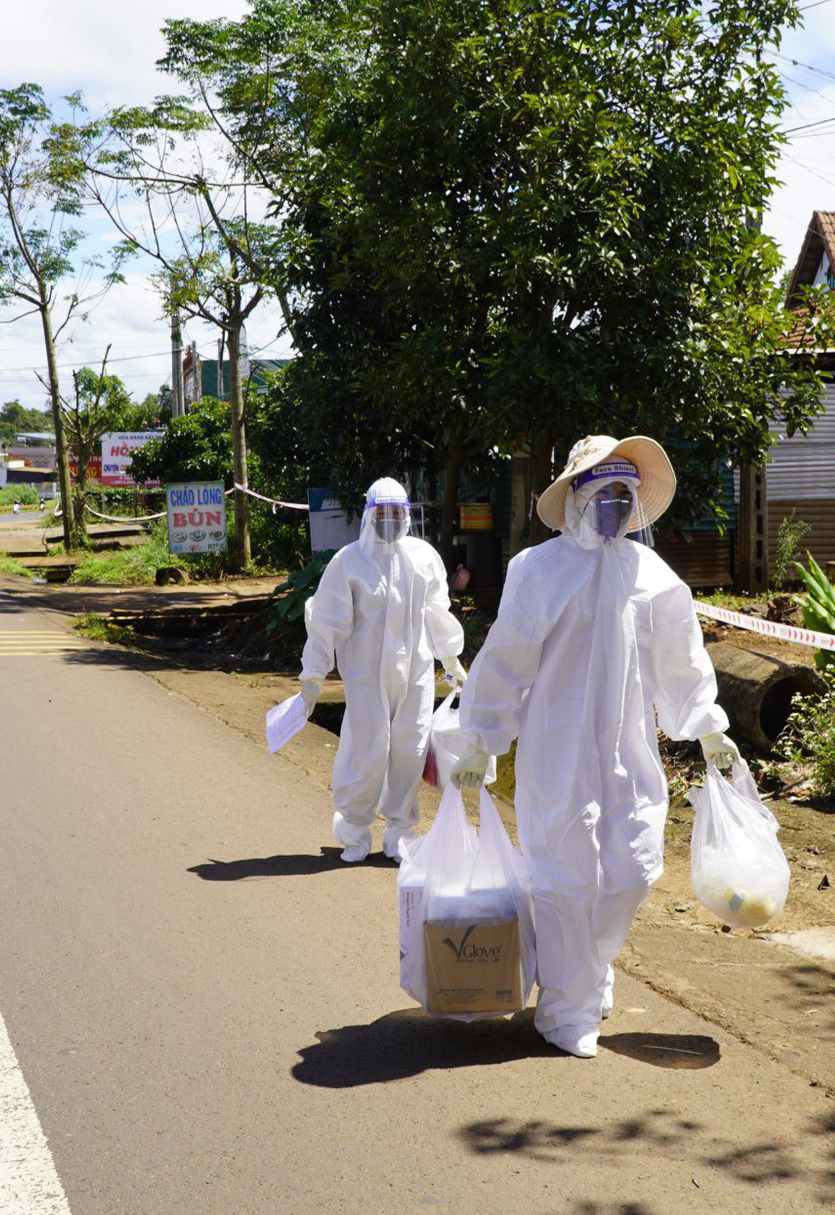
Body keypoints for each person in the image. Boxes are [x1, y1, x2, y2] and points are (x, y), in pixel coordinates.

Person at [453, 436, 740, 1059]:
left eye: (624, 491)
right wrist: (482, 739)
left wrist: (710, 728)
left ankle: (588, 969)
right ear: (576, 495)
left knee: (633, 871)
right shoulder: (538, 569)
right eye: (602, 489)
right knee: (565, 881)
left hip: (630, 752)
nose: (614, 501)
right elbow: (506, 658)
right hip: (557, 754)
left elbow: (681, 664)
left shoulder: (655, 578)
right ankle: (564, 1009)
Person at [298, 478, 467, 863]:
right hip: (365, 678)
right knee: (368, 750)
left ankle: (400, 831)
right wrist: (313, 675)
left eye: (397, 513)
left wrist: (451, 658)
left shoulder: (423, 558)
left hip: (417, 675)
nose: (389, 520)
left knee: (410, 749)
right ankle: (355, 827)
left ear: (406, 515)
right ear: (369, 514)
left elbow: (437, 613)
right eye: (382, 513)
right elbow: (327, 621)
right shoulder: (349, 562)